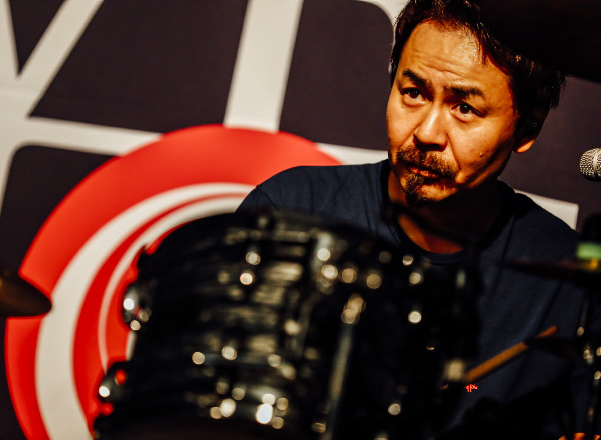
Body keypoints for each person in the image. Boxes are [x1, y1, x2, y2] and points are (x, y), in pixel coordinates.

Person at [237, 0, 597, 438]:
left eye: (464, 108)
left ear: (527, 129)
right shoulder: (289, 211)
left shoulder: (571, 274)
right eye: (414, 93)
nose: (426, 133)